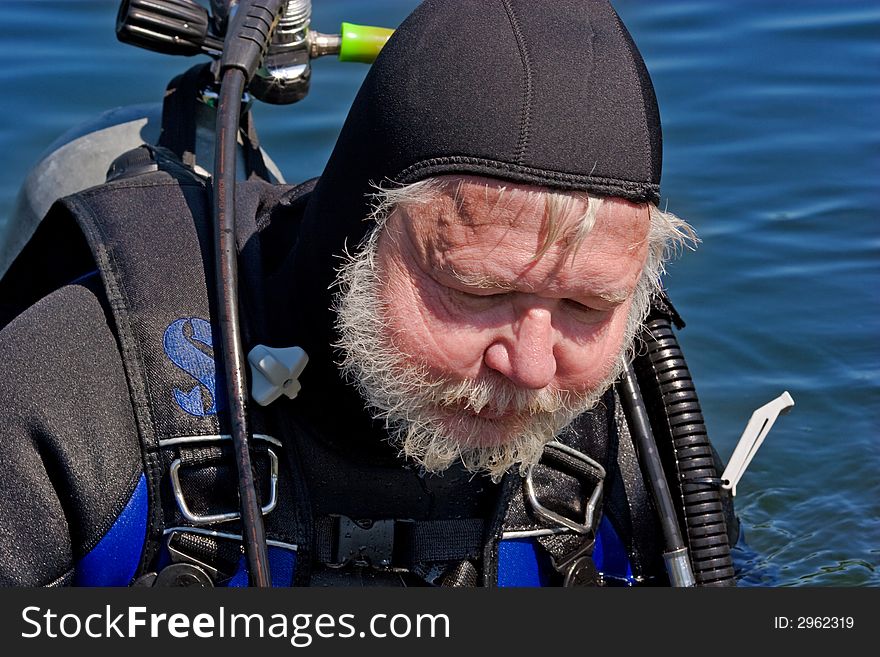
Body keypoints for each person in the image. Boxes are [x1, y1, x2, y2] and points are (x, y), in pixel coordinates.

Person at [0, 0, 737, 587]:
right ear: (356, 237)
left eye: (586, 306)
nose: (534, 367)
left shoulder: (630, 423)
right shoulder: (74, 389)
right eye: (479, 290)